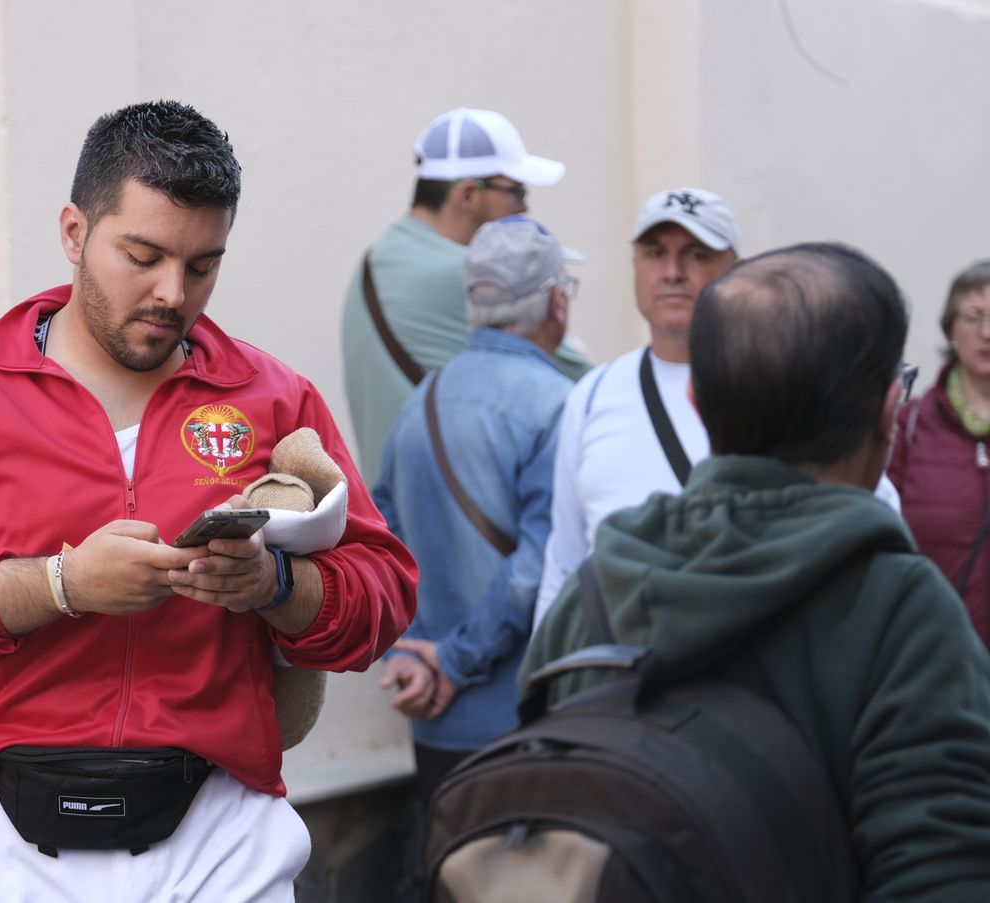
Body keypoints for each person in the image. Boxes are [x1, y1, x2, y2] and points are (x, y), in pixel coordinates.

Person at [0, 101, 417, 902]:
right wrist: (61, 583)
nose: (172, 292)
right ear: (74, 232)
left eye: (202, 265)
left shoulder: (273, 396)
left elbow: (386, 592)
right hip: (2, 840)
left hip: (221, 834)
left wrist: (274, 584)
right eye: (143, 256)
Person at [525, 242, 990, 901]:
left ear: (695, 400)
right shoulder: (902, 613)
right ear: (890, 412)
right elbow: (944, 872)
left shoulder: (595, 592)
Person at [372, 215, 576, 800]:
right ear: (557, 302)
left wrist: (412, 656)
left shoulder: (423, 400)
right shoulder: (561, 405)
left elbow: (380, 539)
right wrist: (455, 661)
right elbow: (538, 565)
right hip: (525, 715)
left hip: (434, 713)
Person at [340, 108, 591, 485]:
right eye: (517, 191)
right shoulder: (465, 276)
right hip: (465, 509)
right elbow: (585, 387)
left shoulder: (375, 260)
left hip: (396, 504)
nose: (524, 208)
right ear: (469, 194)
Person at [889, 259, 990, 648]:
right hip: (936, 652)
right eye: (973, 317)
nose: (986, 333)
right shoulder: (909, 426)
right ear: (951, 329)